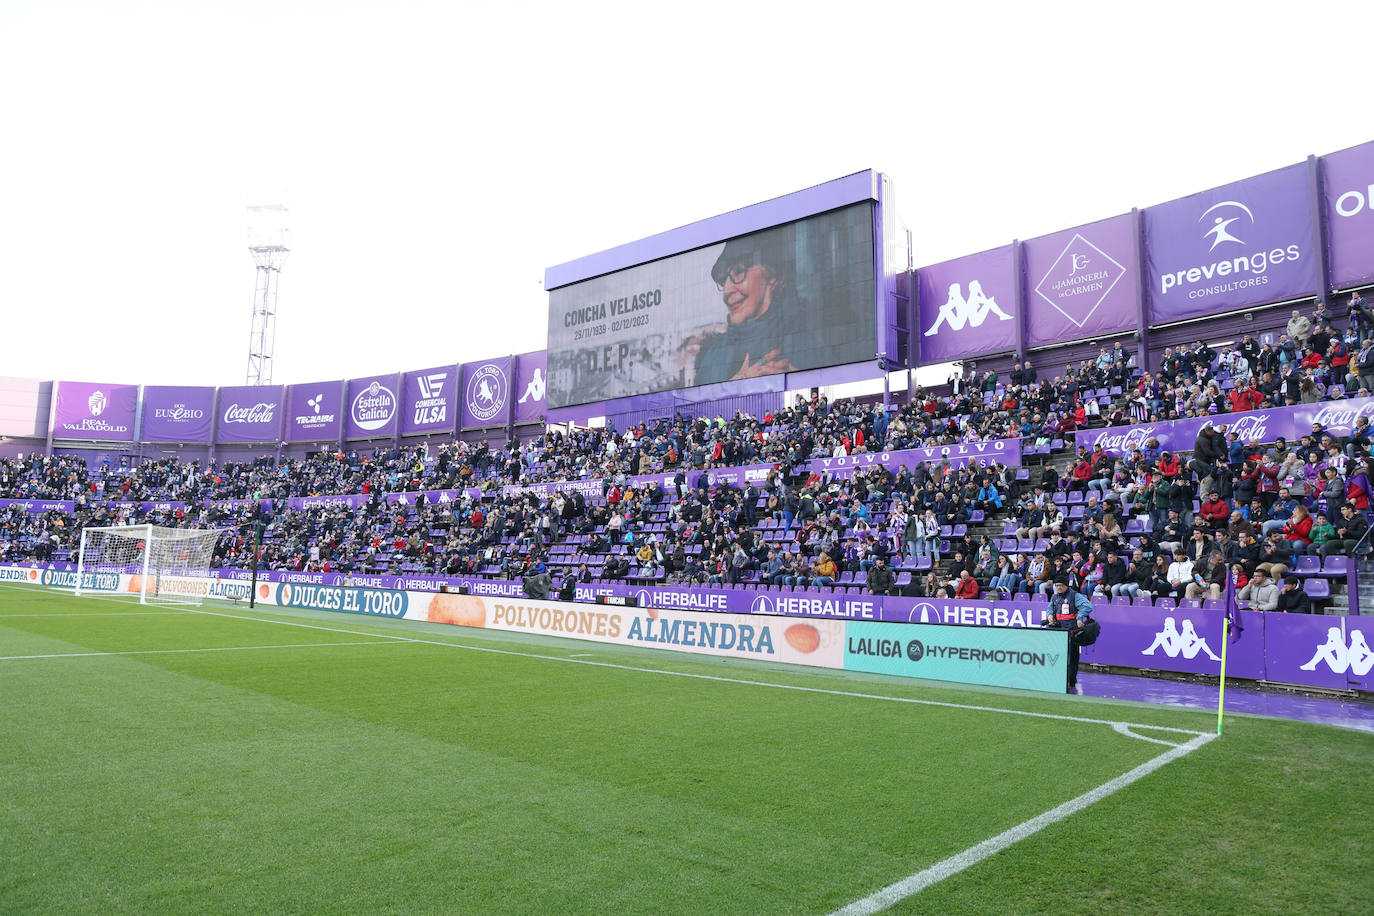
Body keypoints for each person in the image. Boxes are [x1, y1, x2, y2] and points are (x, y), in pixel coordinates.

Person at [695, 230, 810, 384]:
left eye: (738, 272)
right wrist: (733, 388)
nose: (726, 292)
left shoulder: (812, 337)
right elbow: (693, 407)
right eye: (723, 280)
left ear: (772, 274)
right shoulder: (713, 358)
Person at [1044, 580, 1094, 692]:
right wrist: (1050, 615)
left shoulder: (1074, 596)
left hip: (1072, 631)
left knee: (1072, 657)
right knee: (1059, 656)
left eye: (1061, 585)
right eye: (1057, 586)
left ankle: (1071, 681)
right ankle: (1059, 679)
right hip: (1059, 631)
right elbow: (1050, 608)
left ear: (1066, 586)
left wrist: (1080, 617)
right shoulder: (1055, 597)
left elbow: (1088, 606)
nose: (1058, 588)